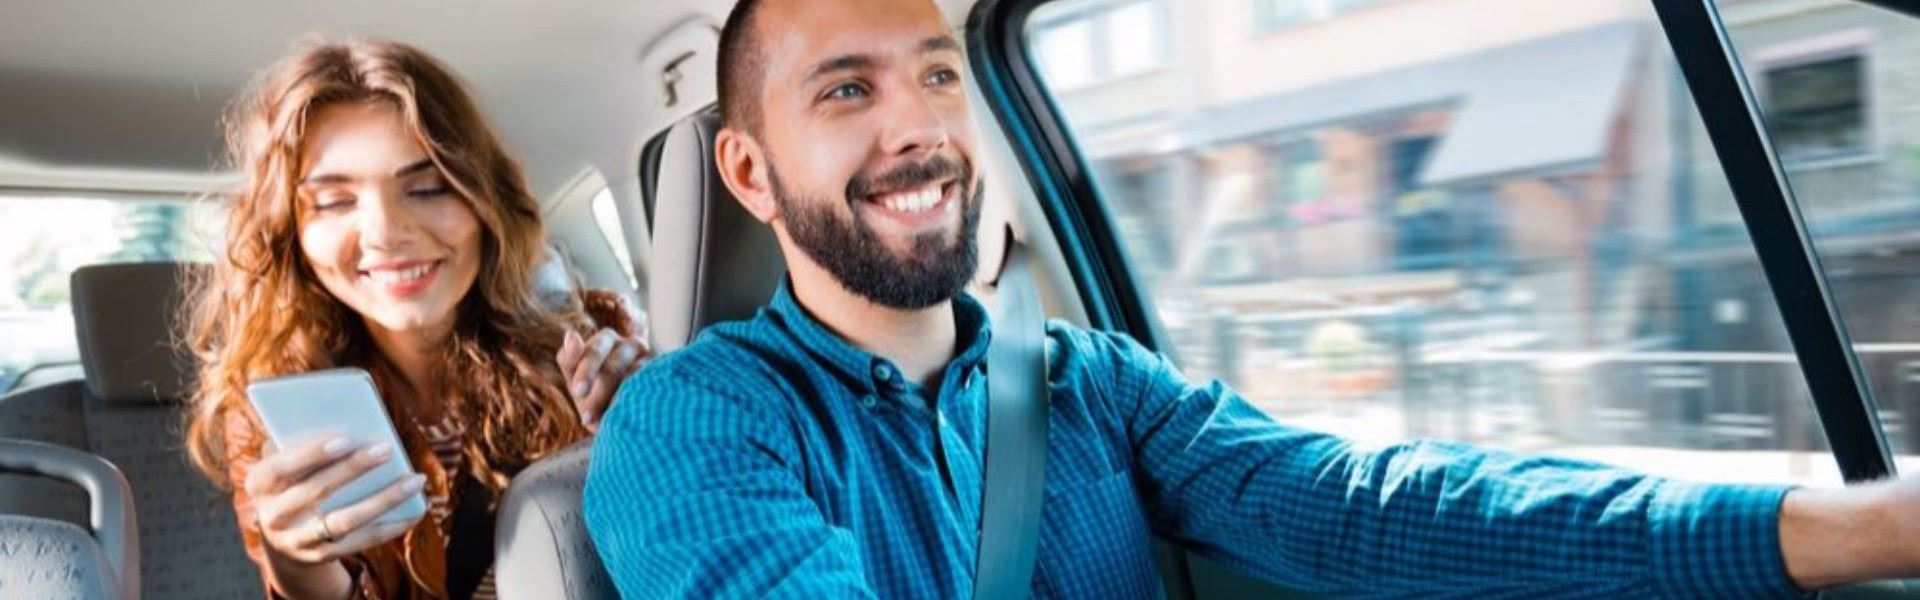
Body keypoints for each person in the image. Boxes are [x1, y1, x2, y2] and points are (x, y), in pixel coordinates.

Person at [582, 0, 1920, 598]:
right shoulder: (695, 425)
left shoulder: (1089, 382)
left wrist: (1857, 528)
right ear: (749, 171)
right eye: (845, 90)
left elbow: (1366, 510)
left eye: (937, 75)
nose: (920, 129)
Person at [182, 39, 648, 600]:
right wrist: (295, 558)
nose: (385, 232)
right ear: (292, 234)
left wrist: (644, 430)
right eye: (332, 201)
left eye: (426, 188)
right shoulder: (272, 405)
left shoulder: (585, 341)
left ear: (485, 203)